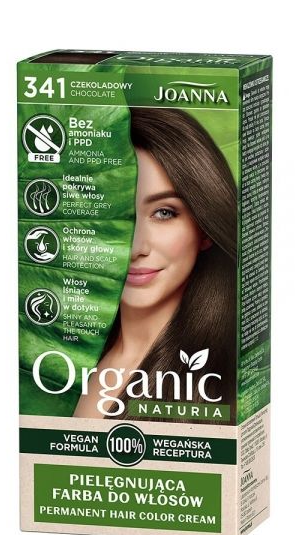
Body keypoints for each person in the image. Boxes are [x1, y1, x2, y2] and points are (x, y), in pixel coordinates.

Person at [73, 108, 237, 421]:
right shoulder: (66, 354)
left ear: (204, 228)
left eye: (164, 213)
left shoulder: (227, 379)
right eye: (115, 213)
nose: (136, 248)